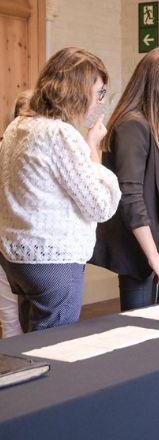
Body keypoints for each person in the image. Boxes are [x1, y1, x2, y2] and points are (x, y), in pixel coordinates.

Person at [0, 47, 121, 332]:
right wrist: (93, 150)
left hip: (17, 257)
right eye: (99, 93)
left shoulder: (19, 125)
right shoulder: (60, 134)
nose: (99, 103)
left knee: (29, 346)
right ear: (78, 91)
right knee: (54, 349)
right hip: (53, 261)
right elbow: (101, 206)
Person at [91, 48, 159, 311]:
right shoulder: (133, 126)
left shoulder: (145, 124)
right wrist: (153, 256)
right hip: (137, 250)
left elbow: (142, 192)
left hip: (147, 244)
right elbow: (129, 195)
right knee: (141, 331)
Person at [0, 90, 33, 338]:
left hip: (30, 246)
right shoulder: (5, 149)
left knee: (28, 314)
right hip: (5, 243)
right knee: (10, 315)